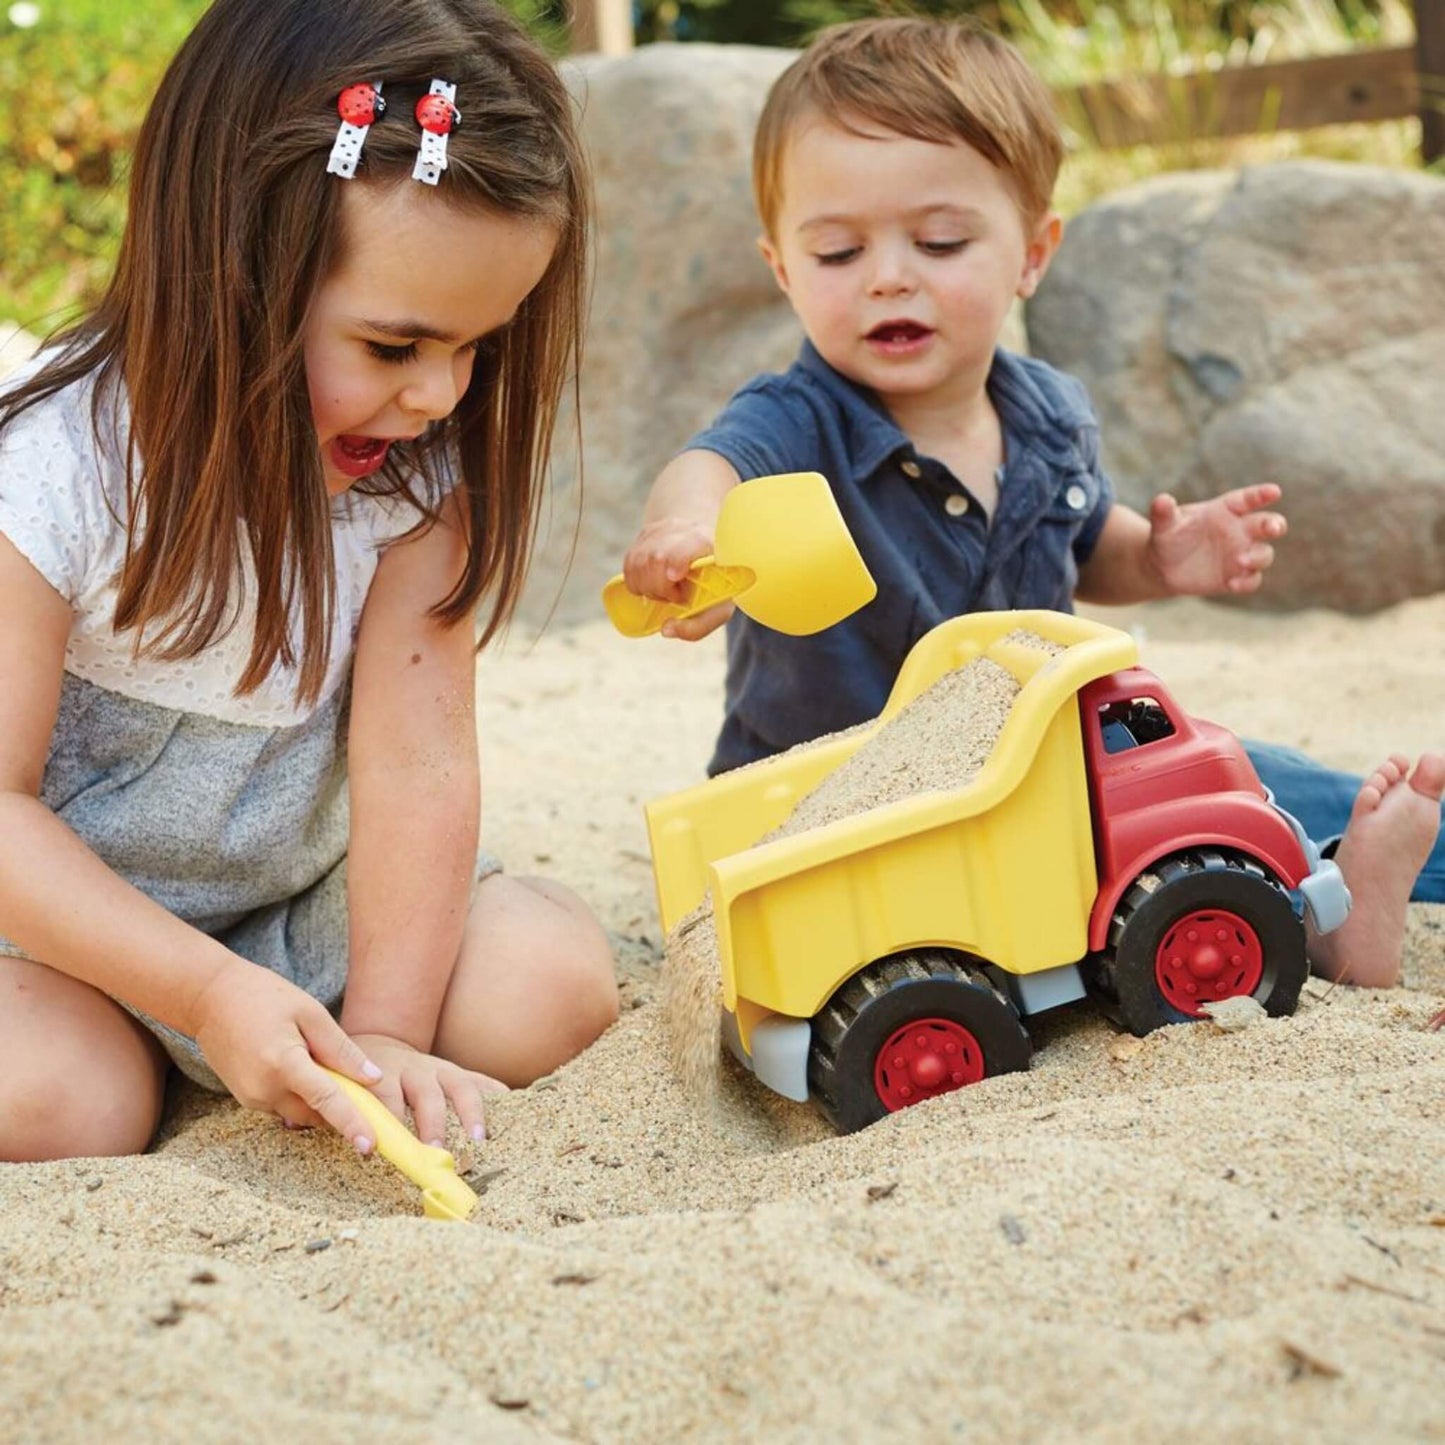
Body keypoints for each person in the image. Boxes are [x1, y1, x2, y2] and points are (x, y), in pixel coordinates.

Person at [621, 16, 1445, 990]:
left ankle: (1342, 893)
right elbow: (708, 466)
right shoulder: (796, 419)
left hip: (1038, 771)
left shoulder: (1047, 413)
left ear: (1031, 251)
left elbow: (1089, 540)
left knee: (1230, 769)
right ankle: (1307, 905)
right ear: (781, 269)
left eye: (938, 240)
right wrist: (683, 535)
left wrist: (1158, 558)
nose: (888, 274)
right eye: (837, 253)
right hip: (836, 795)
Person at [0, 0, 620, 1165]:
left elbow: (417, 762)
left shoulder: (407, 482)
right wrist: (202, 994)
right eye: (395, 346)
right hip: (62, 935)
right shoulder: (51, 470)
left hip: (301, 907)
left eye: (476, 344)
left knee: (549, 984)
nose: (441, 395)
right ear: (230, 270)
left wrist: (385, 1033)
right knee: (63, 1104)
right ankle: (155, 1048)